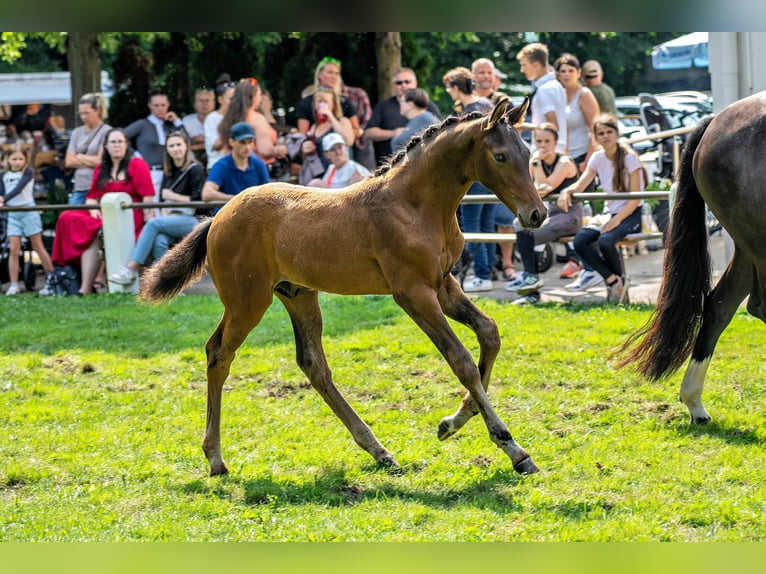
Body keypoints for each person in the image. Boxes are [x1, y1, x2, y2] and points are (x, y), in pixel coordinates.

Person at [51, 128, 155, 296]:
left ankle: (88, 286)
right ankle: (84, 287)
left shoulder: (136, 164)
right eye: (112, 142)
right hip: (104, 213)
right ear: (106, 146)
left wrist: (147, 220)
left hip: (129, 215)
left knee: (97, 230)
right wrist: (93, 210)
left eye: (120, 142)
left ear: (126, 144)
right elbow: (92, 197)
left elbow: (147, 198)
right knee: (67, 216)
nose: (117, 146)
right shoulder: (102, 168)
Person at [557, 114, 647, 303]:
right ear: (596, 137)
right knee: (580, 240)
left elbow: (635, 198)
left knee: (606, 241)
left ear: (616, 133)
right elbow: (580, 185)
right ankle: (613, 280)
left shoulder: (630, 159)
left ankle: (619, 285)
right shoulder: (597, 157)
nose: (606, 136)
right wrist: (567, 191)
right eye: (601, 133)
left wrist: (617, 220)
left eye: (609, 132)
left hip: (630, 215)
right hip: (608, 214)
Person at [109, 131, 207, 286]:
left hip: (194, 220)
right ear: (167, 149)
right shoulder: (169, 170)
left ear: (186, 147)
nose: (176, 149)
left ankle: (132, 268)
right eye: (172, 146)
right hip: (171, 218)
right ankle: (170, 285)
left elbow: (199, 200)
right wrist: (166, 209)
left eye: (179, 145)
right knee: (159, 241)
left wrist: (173, 196)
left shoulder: (195, 169)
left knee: (153, 224)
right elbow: (162, 199)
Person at [504, 124, 582, 305]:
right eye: (538, 141)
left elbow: (546, 188)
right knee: (519, 224)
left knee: (527, 235)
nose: (543, 145)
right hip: (553, 215)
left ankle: (531, 282)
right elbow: (533, 187)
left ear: (556, 142)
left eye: (547, 141)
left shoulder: (564, 162)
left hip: (570, 215)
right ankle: (531, 283)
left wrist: (537, 164)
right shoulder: (535, 161)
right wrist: (537, 172)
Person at [441, 66, 497, 293]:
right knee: (487, 225)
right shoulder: (487, 104)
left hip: (475, 177)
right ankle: (489, 270)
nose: (449, 93)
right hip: (491, 175)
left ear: (455, 87)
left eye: (449, 88)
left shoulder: (470, 112)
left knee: (473, 224)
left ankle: (482, 274)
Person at [0, 145, 55, 295]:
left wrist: (4, 199)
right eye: (14, 159)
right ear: (7, 160)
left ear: (25, 160)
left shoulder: (28, 173)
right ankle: (13, 283)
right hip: (13, 213)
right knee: (13, 249)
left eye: (20, 159)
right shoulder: (3, 176)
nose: (17, 162)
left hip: (28, 211)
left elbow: (18, 189)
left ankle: (51, 278)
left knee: (37, 245)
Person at [364, 67, 441, 165]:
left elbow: (440, 132)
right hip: (390, 165)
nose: (403, 85)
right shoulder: (384, 106)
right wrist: (393, 133)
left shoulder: (428, 109)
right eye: (399, 83)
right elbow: (368, 133)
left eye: (407, 82)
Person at [124, 90, 184, 201]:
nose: (160, 108)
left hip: (169, 173)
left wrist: (177, 121)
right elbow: (120, 137)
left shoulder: (170, 125)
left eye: (163, 105)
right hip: (150, 172)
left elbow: (186, 141)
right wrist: (135, 154)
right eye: (156, 105)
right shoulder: (142, 124)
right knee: (153, 205)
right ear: (150, 106)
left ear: (168, 105)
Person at [217, 78, 288, 173]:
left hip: (233, 169)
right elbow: (265, 150)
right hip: (259, 170)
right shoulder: (257, 119)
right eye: (259, 94)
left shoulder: (229, 118)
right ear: (253, 96)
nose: (261, 98)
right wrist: (279, 150)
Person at [201, 122, 270, 211]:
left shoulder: (259, 165)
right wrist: (238, 199)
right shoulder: (222, 166)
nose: (247, 147)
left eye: (250, 142)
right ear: (231, 142)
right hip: (226, 217)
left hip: (252, 217)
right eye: (242, 142)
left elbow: (268, 194)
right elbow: (207, 194)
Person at [293, 87, 355, 186]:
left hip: (340, 176)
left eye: (325, 101)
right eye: (319, 101)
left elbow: (349, 141)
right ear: (314, 105)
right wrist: (304, 148)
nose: (322, 105)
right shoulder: (314, 127)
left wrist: (330, 117)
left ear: (333, 104)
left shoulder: (342, 121)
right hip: (320, 175)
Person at [516, 42, 568, 152]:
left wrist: (522, 125)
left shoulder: (545, 90)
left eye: (524, 65)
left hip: (546, 152)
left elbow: (552, 126)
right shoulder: (557, 85)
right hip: (556, 150)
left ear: (536, 65)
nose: (522, 70)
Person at [555, 53, 600, 174]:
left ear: (578, 73)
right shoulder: (559, 95)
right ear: (558, 74)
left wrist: (588, 160)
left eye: (571, 70)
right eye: (563, 71)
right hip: (563, 158)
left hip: (582, 156)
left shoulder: (584, 94)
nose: (567, 74)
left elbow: (595, 129)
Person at [65, 92, 111, 205]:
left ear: (98, 111)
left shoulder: (107, 131)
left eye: (87, 113)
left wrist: (79, 156)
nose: (83, 117)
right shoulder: (77, 132)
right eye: (81, 113)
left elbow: (101, 161)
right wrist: (91, 160)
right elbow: (68, 161)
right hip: (79, 186)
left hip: (99, 186)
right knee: (71, 216)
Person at [295, 57, 358, 140]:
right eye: (330, 72)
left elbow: (356, 131)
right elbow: (302, 136)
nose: (334, 77)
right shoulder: (306, 103)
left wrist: (342, 132)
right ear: (319, 74)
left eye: (336, 73)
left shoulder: (344, 101)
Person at [390, 88, 440, 153]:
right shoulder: (418, 119)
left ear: (410, 104)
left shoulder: (428, 120)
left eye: (401, 101)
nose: (399, 104)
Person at [341, 80, 376, 171]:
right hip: (343, 141)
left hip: (361, 139)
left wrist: (359, 131)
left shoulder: (357, 94)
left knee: (367, 174)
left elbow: (368, 117)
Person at [204, 74, 237, 170]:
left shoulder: (239, 116)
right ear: (220, 99)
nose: (234, 102)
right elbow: (215, 146)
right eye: (230, 99)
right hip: (218, 167)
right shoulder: (211, 118)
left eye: (236, 99)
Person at [182, 87, 215, 166]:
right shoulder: (187, 121)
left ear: (213, 104)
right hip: (192, 163)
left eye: (207, 100)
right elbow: (183, 145)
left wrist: (195, 144)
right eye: (201, 101)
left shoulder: (220, 120)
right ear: (195, 104)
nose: (204, 104)